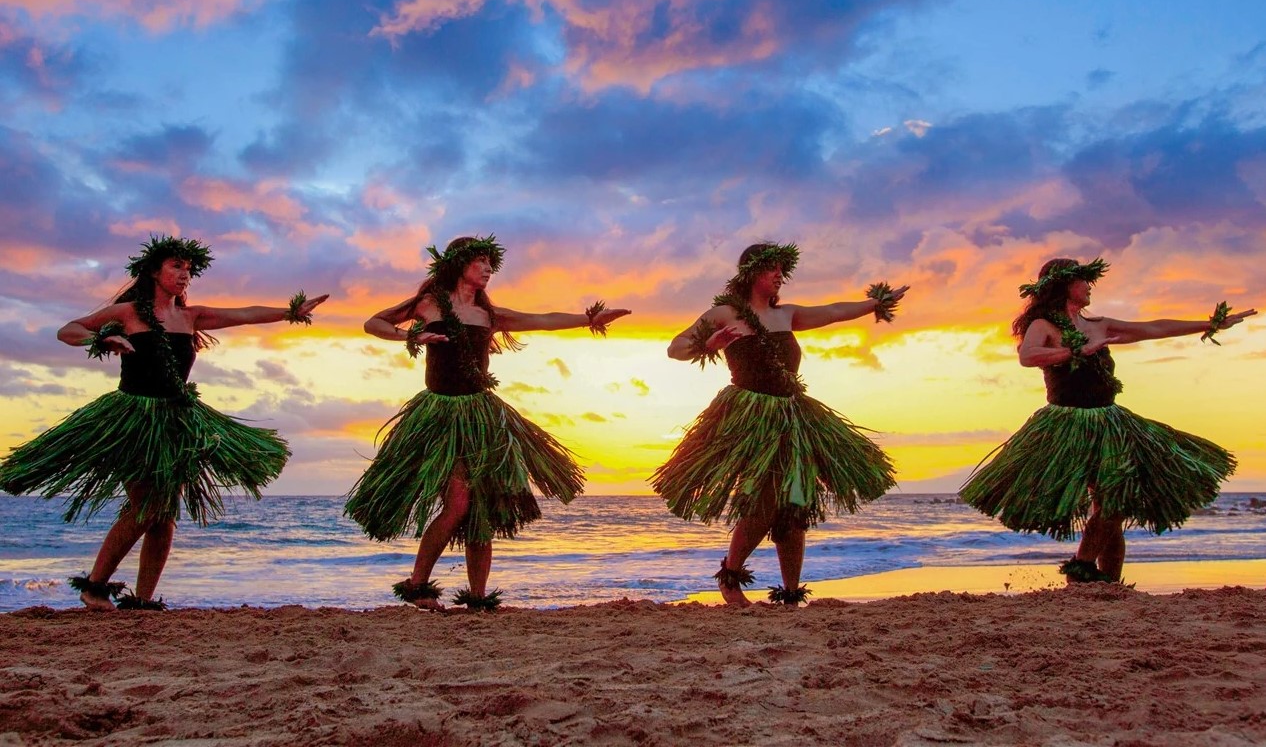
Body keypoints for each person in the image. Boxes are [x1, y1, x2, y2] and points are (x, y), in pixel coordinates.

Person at [0, 235, 328, 610]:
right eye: (176, 266)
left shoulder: (191, 316)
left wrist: (291, 311)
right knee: (146, 505)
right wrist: (103, 339)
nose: (185, 274)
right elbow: (68, 330)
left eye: (189, 269)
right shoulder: (127, 313)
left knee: (165, 514)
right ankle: (94, 586)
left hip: (176, 420)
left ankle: (142, 599)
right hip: (133, 419)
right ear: (154, 271)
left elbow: (245, 313)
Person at [345, 235, 630, 611]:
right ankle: (418, 586)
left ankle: (477, 597)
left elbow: (541, 320)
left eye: (490, 264)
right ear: (458, 264)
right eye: (480, 261)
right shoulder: (428, 303)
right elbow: (373, 322)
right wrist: (408, 334)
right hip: (439, 416)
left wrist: (588, 319)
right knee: (458, 503)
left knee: (479, 508)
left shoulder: (488, 315)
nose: (487, 269)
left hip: (482, 417)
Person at [960, 257, 1256, 583]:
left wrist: (1209, 324)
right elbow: (1027, 356)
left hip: (1111, 423)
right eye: (1084, 280)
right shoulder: (1044, 325)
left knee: (1114, 501)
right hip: (1067, 424)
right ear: (1063, 285)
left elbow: (1153, 328)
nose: (1089, 286)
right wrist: (1076, 352)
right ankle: (1083, 570)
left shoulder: (1099, 324)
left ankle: (1107, 583)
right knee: (1112, 504)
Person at [652, 242, 908, 606]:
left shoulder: (786, 314)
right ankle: (731, 576)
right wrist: (708, 342)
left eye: (781, 271)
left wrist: (875, 303)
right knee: (764, 497)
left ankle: (790, 593)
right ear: (751, 273)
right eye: (772, 269)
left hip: (794, 418)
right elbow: (675, 348)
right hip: (752, 417)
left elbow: (834, 311)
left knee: (794, 504)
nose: (779, 276)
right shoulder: (725, 313)